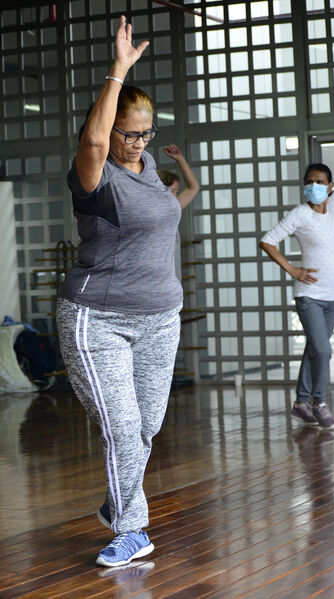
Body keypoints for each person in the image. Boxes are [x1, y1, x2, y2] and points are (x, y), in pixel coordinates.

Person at [56, 16, 183, 567]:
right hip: (97, 318)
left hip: (161, 315)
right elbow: (93, 139)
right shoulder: (95, 173)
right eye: (128, 133)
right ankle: (133, 528)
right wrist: (118, 71)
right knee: (123, 427)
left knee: (148, 426)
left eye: (145, 132)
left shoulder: (150, 167)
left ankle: (117, 505)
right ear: (109, 131)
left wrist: (148, 147)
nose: (136, 143)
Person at [259, 114, 334, 430]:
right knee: (323, 349)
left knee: (314, 350)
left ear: (330, 187)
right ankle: (319, 403)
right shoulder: (300, 215)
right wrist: (292, 269)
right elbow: (267, 241)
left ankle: (300, 403)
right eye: (310, 182)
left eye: (320, 182)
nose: (314, 186)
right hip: (310, 296)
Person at [158, 145, 200, 280]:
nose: (175, 196)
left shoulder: (172, 209)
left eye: (177, 192)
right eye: (172, 191)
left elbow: (193, 188)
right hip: (158, 282)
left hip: (173, 282)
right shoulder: (151, 214)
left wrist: (180, 159)